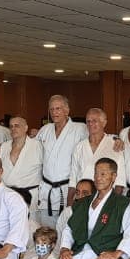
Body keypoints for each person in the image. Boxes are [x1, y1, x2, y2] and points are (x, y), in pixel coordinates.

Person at [37, 94, 85, 228]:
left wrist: (115, 140)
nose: (54, 112)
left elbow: (98, 137)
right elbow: (30, 147)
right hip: (47, 191)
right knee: (47, 233)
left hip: (68, 190)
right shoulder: (45, 130)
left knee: (67, 232)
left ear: (67, 110)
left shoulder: (80, 129)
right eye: (51, 109)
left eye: (58, 108)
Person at [70, 107, 126, 194]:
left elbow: (120, 181)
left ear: (104, 123)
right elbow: (73, 180)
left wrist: (113, 201)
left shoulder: (114, 144)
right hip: (83, 196)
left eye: (94, 121)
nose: (90, 124)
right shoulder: (79, 147)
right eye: (88, 121)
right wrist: (70, 201)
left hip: (106, 196)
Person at [0, 114, 43, 206]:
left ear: (26, 128)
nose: (13, 129)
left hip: (30, 195)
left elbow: (46, 170)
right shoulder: (4, 146)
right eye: (11, 126)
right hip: (7, 195)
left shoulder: (37, 145)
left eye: (17, 126)